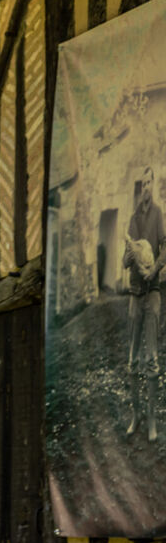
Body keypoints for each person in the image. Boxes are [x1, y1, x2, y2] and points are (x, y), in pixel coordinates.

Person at [123, 166, 165, 439]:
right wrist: (129, 257)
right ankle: (136, 416)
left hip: (152, 292)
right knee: (132, 360)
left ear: (153, 186)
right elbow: (125, 261)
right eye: (142, 184)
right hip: (135, 295)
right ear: (139, 188)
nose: (146, 188)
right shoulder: (133, 218)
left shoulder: (159, 214)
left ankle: (151, 420)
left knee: (151, 359)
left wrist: (155, 269)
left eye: (149, 183)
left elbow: (165, 249)